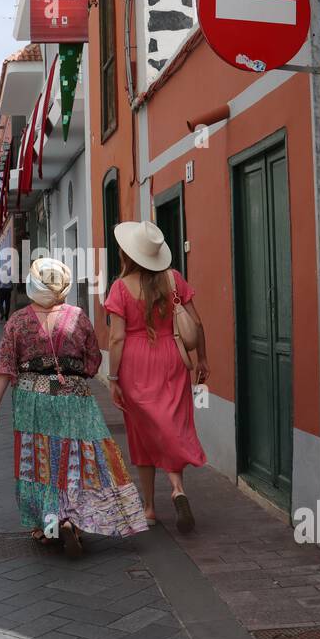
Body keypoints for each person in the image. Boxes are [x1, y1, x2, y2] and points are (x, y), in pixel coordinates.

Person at [0, 258, 149, 556]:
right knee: (76, 458)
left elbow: (4, 370)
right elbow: (92, 362)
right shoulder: (78, 317)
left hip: (32, 401)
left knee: (40, 461)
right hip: (75, 397)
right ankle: (73, 519)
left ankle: (50, 526)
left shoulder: (18, 322)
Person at [105, 221, 210, 533]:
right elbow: (197, 321)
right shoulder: (173, 279)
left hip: (136, 363)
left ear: (127, 254)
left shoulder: (120, 288)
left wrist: (112, 377)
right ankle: (177, 489)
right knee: (173, 424)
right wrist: (202, 358)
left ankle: (149, 507)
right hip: (173, 357)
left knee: (142, 432)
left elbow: (116, 339)